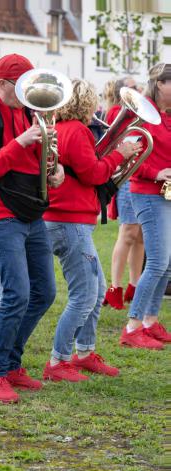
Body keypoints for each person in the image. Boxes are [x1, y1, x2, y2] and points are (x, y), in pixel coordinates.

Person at [0, 53, 64, 403]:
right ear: (1, 83)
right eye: (19, 89)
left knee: (45, 292)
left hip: (28, 209)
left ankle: (11, 366)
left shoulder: (26, 109)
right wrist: (20, 142)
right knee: (17, 294)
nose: (25, 96)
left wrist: (54, 169)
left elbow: (35, 161)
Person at [42, 79, 142, 382]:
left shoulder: (67, 129)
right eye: (93, 101)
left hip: (71, 219)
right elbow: (95, 174)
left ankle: (84, 353)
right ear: (85, 104)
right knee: (84, 295)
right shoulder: (77, 131)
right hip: (69, 220)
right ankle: (58, 360)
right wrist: (120, 154)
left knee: (96, 290)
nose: (96, 106)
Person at [120, 63, 171, 349]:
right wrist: (156, 173)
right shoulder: (144, 112)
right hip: (148, 194)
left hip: (165, 194)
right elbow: (129, 157)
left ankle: (150, 321)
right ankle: (132, 326)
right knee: (158, 263)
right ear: (161, 84)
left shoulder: (165, 114)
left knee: (166, 265)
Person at [102, 77, 145, 310]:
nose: (140, 89)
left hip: (141, 175)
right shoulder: (118, 112)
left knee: (140, 237)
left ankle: (134, 285)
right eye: (134, 87)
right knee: (128, 233)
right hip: (129, 178)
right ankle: (114, 288)